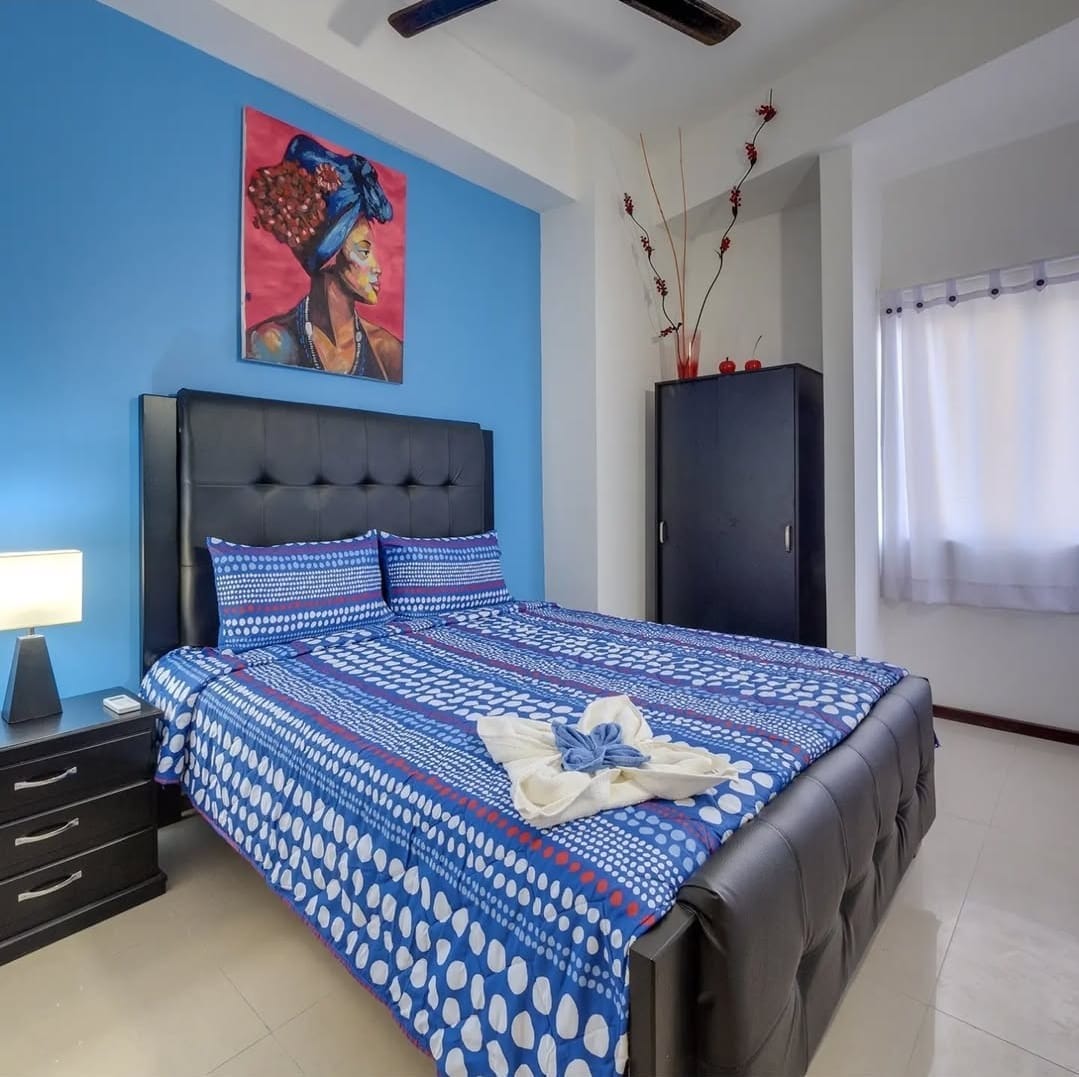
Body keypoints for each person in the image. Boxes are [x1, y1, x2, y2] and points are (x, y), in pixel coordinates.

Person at [245, 134, 402, 381]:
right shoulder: (270, 343)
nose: (377, 267)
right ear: (330, 257)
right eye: (364, 251)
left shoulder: (388, 353)